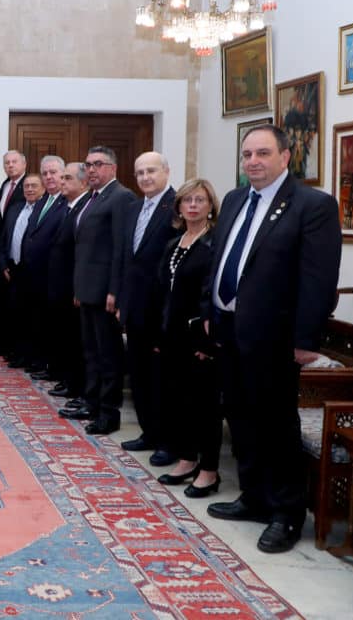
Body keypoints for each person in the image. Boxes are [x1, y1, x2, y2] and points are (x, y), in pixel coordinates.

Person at [203, 124, 341, 554]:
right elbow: (220, 258)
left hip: (276, 337)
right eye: (247, 154)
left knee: (276, 424)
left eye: (262, 153)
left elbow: (318, 279)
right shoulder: (234, 200)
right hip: (229, 330)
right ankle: (254, 496)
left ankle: (286, 513)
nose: (253, 162)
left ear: (285, 156)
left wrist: (306, 340)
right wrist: (209, 310)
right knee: (240, 416)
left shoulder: (312, 205)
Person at [61, 146, 137, 436]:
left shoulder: (121, 197)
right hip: (87, 289)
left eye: (98, 164)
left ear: (113, 168)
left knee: (108, 356)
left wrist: (114, 291)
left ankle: (108, 413)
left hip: (105, 293)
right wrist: (79, 287)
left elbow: (120, 248)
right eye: (88, 164)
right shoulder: (93, 198)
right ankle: (91, 402)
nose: (91, 170)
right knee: (91, 352)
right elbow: (85, 249)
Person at [153, 179, 221, 497]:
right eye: (187, 200)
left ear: (210, 206)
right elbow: (163, 292)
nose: (193, 205)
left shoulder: (214, 244)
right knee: (178, 399)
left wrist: (208, 342)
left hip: (199, 338)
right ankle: (186, 458)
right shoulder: (173, 243)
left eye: (200, 200)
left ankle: (209, 470)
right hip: (173, 335)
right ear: (179, 207)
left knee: (204, 405)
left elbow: (212, 294)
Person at [117, 152, 178, 465]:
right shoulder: (133, 208)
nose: (145, 177)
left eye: (151, 171)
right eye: (140, 172)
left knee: (161, 379)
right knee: (139, 374)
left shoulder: (177, 207)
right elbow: (128, 258)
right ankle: (149, 432)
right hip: (135, 307)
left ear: (166, 171)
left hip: (162, 310)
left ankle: (168, 440)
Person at [18, 155, 69, 375]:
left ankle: (52, 365)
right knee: (35, 320)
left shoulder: (66, 202)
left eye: (53, 172)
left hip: (53, 275)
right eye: (45, 173)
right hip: (33, 275)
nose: (49, 177)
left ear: (63, 175)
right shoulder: (42, 201)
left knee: (52, 324)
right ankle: (37, 360)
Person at [45, 163, 90, 402]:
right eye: (62, 177)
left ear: (83, 183)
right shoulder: (68, 206)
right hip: (60, 285)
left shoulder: (85, 206)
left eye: (67, 178)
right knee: (64, 336)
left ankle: (75, 385)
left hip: (73, 285)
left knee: (74, 339)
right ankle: (67, 380)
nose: (62, 182)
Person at [0, 173, 44, 364]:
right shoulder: (15, 209)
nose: (29, 189)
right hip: (13, 269)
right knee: (14, 313)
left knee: (31, 316)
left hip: (32, 271)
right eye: (27, 186)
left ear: (42, 189)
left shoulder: (43, 210)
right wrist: (3, 265)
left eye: (34, 186)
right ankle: (14, 351)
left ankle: (28, 355)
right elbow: (3, 239)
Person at [0, 150, 27, 357]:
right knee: (2, 301)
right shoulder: (6, 184)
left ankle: (15, 347)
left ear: (24, 164)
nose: (10, 165)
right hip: (1, 251)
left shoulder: (28, 185)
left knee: (16, 303)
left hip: (17, 253)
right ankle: (4, 343)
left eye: (14, 162)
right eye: (7, 163)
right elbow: (4, 208)